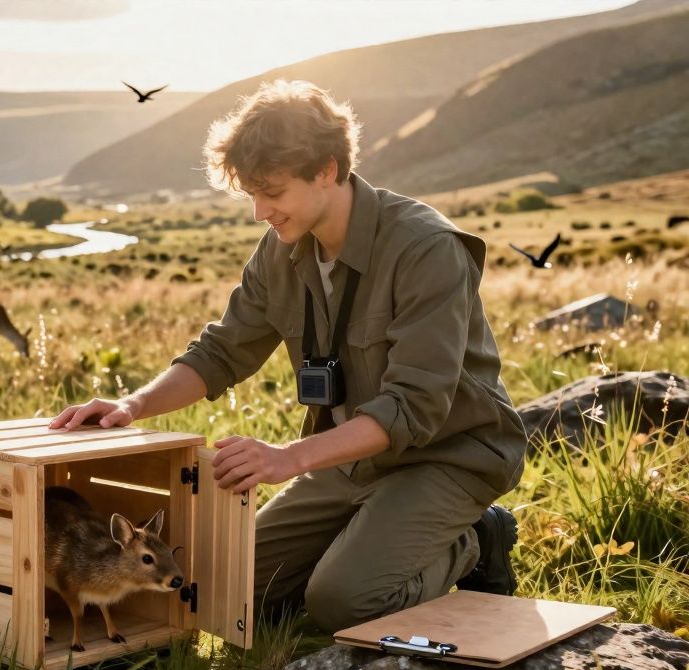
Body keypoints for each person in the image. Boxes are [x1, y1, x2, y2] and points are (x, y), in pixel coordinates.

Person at [48, 79, 527, 633]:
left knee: (342, 603)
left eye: (272, 192)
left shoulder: (426, 249)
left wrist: (288, 458)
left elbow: (414, 406)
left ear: (326, 169)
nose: (259, 212)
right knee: (229, 592)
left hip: (449, 457)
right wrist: (132, 405)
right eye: (251, 194)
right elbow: (221, 351)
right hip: (351, 459)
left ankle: (477, 538)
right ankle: (365, 541)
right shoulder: (280, 250)